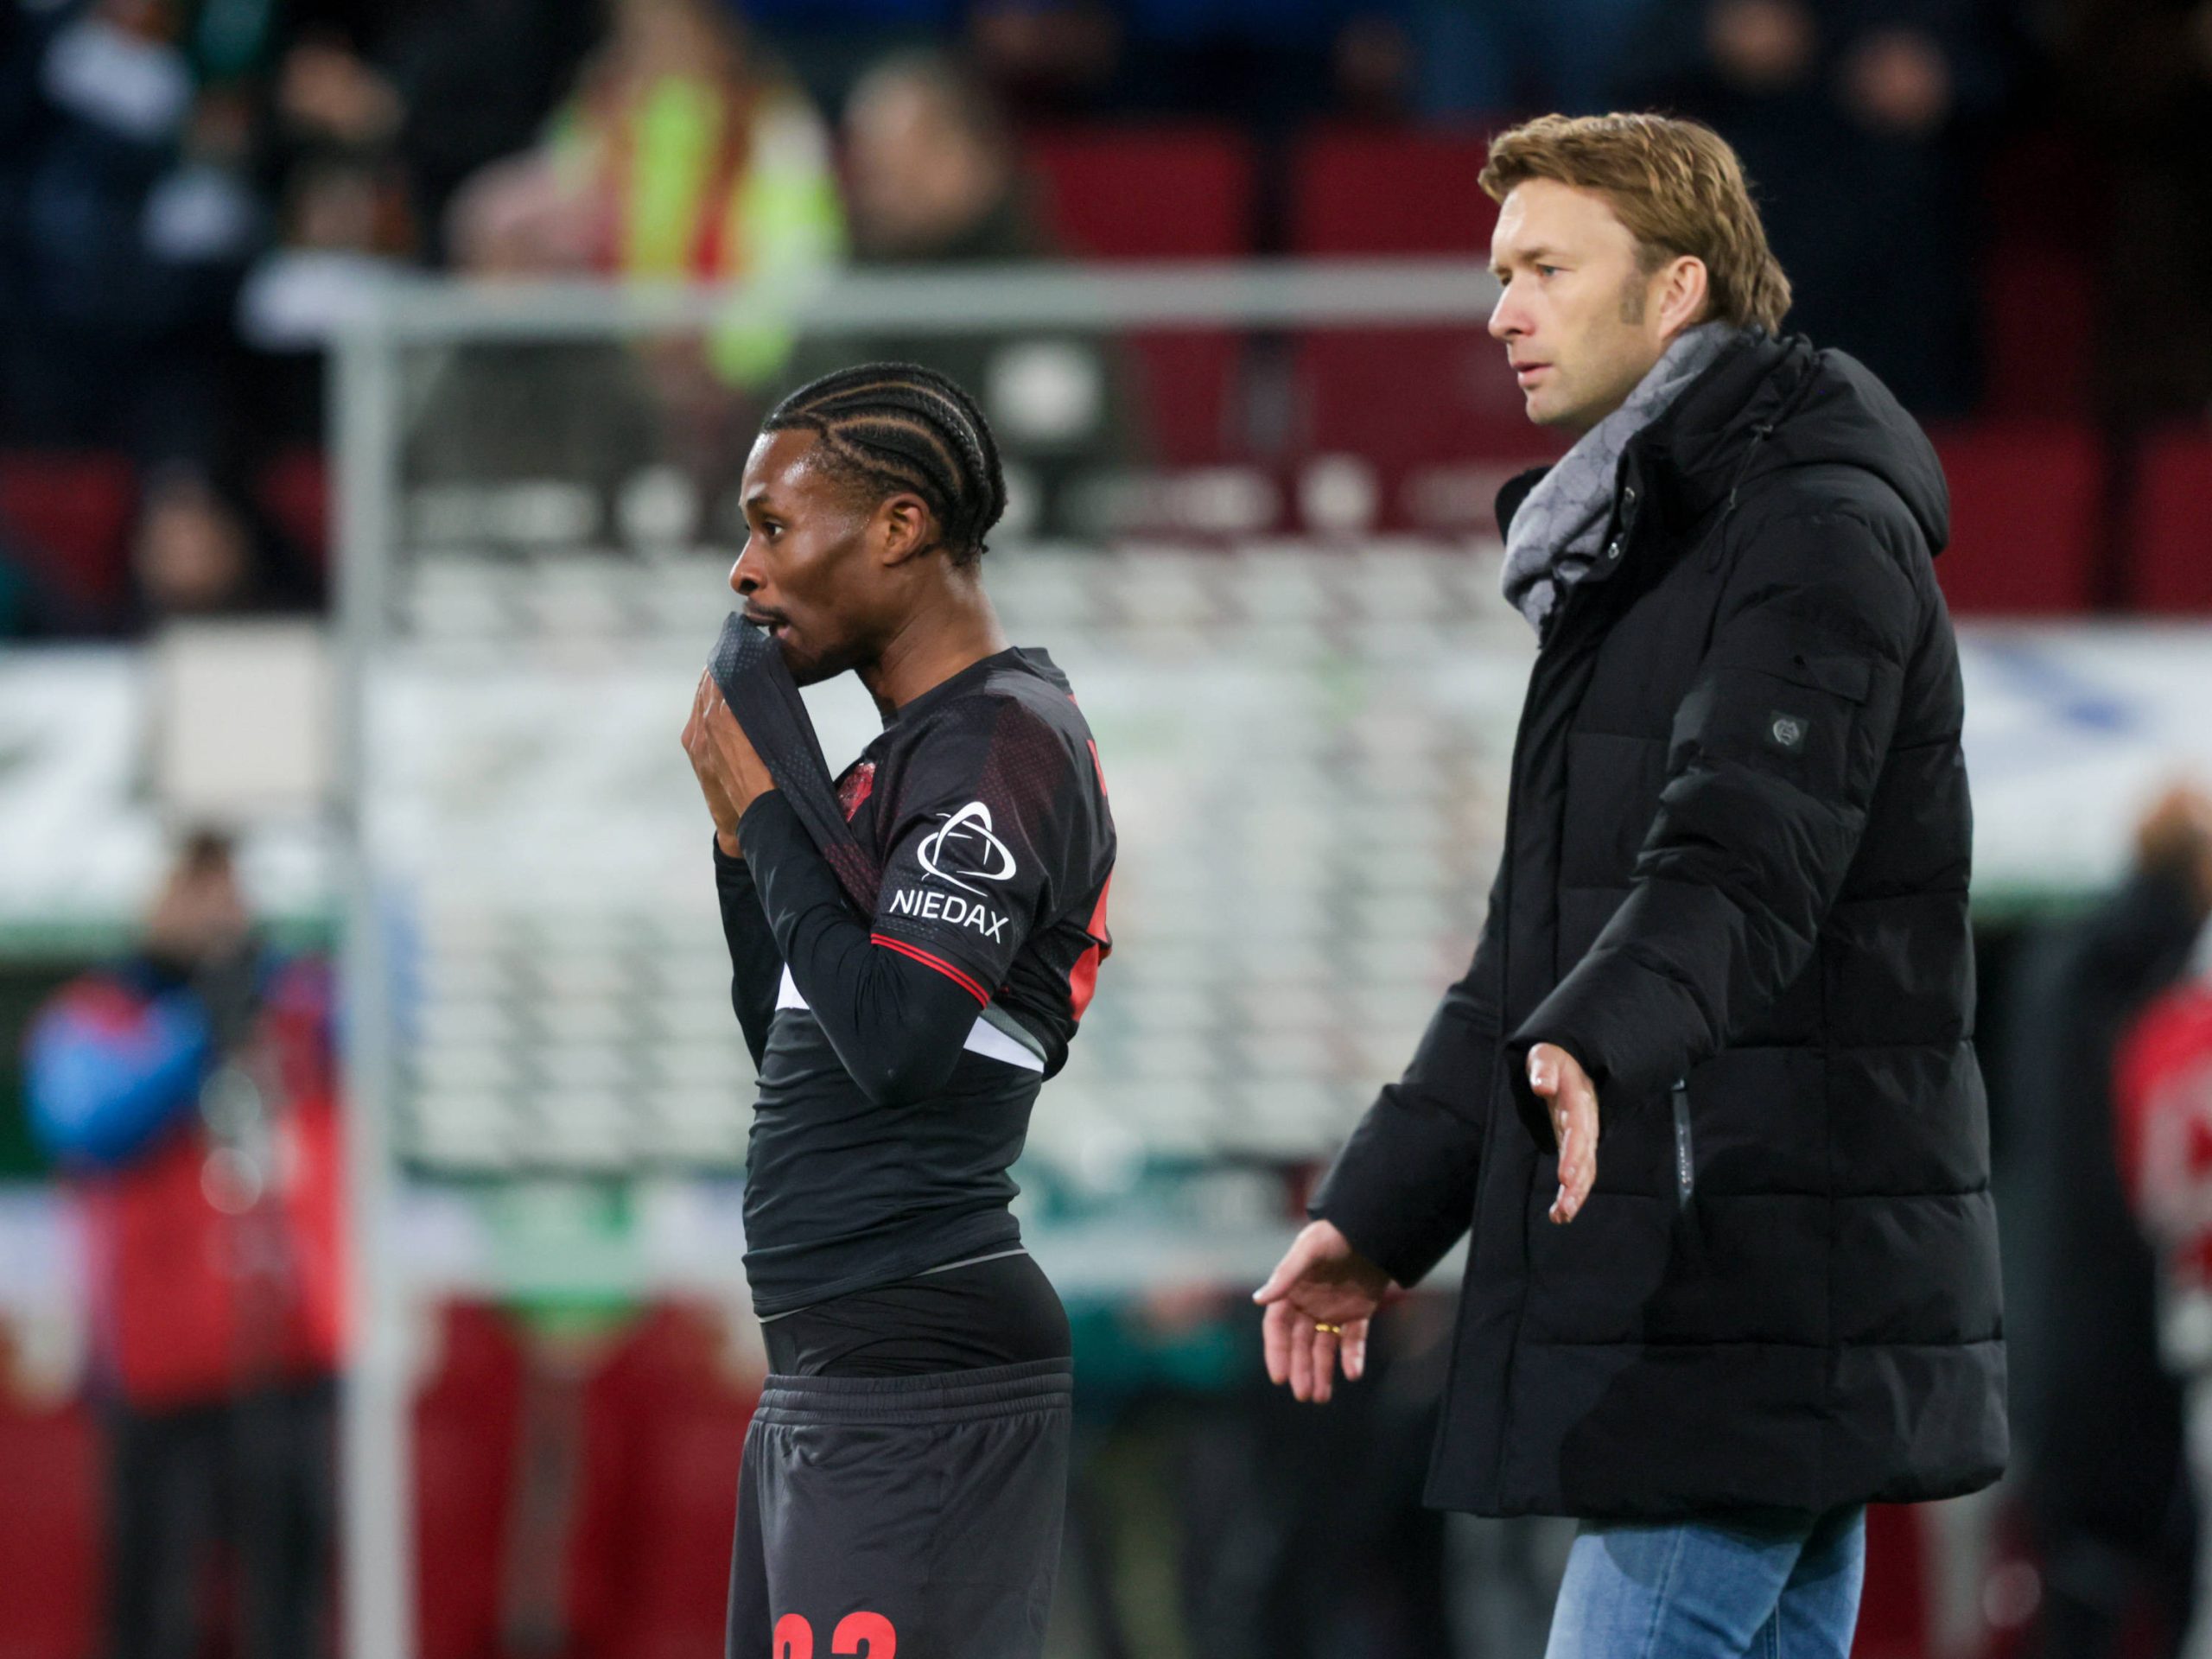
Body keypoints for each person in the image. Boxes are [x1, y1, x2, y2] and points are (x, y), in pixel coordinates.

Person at [1253, 112, 2002, 1656]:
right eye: (1497, 270)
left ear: (1676, 291)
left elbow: (1741, 860)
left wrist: (1597, 1042)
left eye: (1543, 268)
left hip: (1744, 1266)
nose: (1500, 310)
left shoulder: (1813, 530)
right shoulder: (1656, 540)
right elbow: (1538, 948)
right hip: (1726, 1271)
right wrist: (1384, 1215)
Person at [677, 362, 1116, 1657]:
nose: (744, 576)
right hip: (840, 1367)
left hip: (917, 1370)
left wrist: (773, 809)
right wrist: (745, 844)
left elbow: (898, 1045)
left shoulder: (1003, 744)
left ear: (899, 527)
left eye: (772, 525)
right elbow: (793, 1045)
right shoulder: (906, 759)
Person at [22, 831, 344, 1659]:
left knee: (289, 1615)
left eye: (225, 886)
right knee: (157, 1618)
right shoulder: (94, 1018)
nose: (213, 908)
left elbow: (392, 1017)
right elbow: (86, 1117)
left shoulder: (296, 1007)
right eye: (191, 886)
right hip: (159, 1390)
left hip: (290, 1372)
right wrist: (196, 1025)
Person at [2013, 786, 2212, 1656]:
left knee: (2077, 1602)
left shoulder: (2058, 971)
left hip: (2049, 1346)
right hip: (2147, 1350)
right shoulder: (2161, 997)